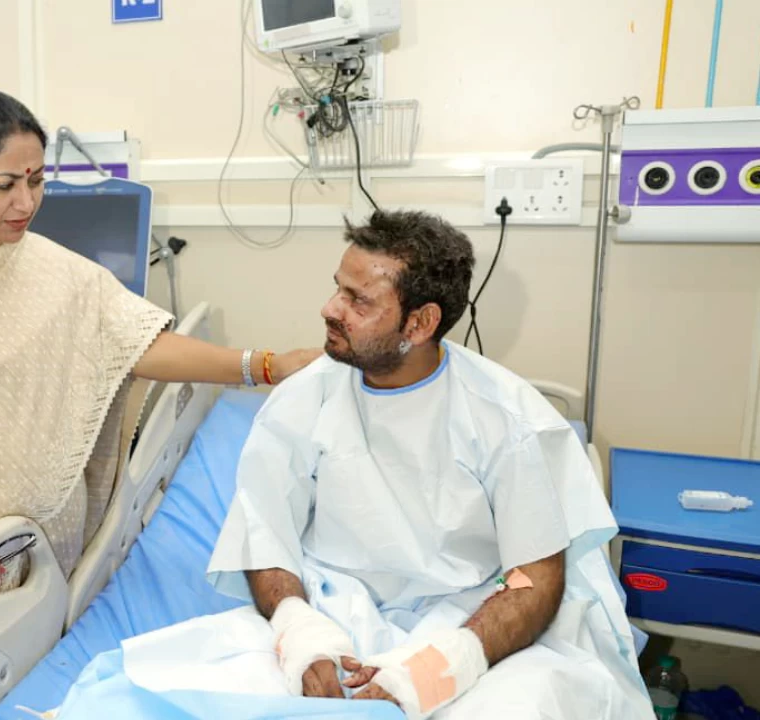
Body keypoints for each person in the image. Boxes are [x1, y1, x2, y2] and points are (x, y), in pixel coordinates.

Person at [42, 210, 653, 719]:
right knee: (148, 699)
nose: (330, 309)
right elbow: (267, 536)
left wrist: (445, 667)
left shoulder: (509, 421)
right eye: (338, 287)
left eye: (358, 300)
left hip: (473, 619)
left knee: (535, 702)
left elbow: (533, 577)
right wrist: (301, 634)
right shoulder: (306, 396)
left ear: (421, 322)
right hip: (333, 611)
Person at [0, 88, 320, 660]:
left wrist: (263, 365)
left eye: (36, 181)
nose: (26, 202)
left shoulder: (49, 267)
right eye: (4, 184)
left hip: (39, 544)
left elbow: (138, 343)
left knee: (25, 670)